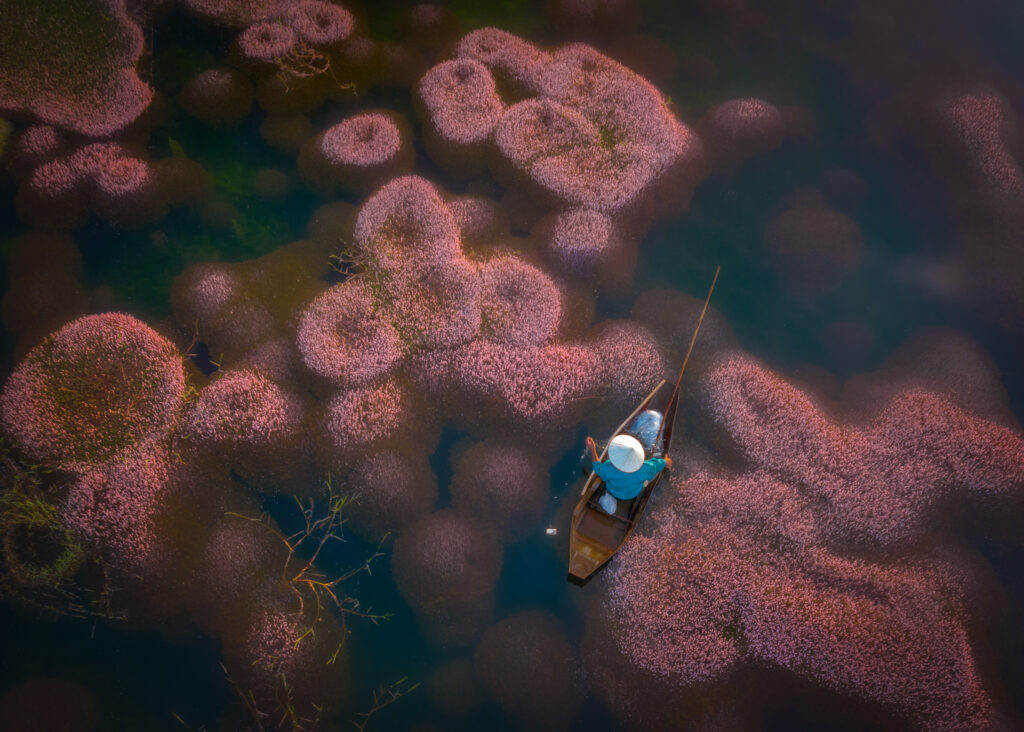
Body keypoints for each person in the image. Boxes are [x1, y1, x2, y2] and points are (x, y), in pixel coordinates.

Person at [585, 434, 671, 515]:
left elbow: (598, 468)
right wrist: (665, 461)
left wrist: (593, 449)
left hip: (613, 491)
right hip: (632, 494)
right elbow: (658, 465)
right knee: (654, 466)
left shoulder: (608, 466)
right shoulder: (645, 467)